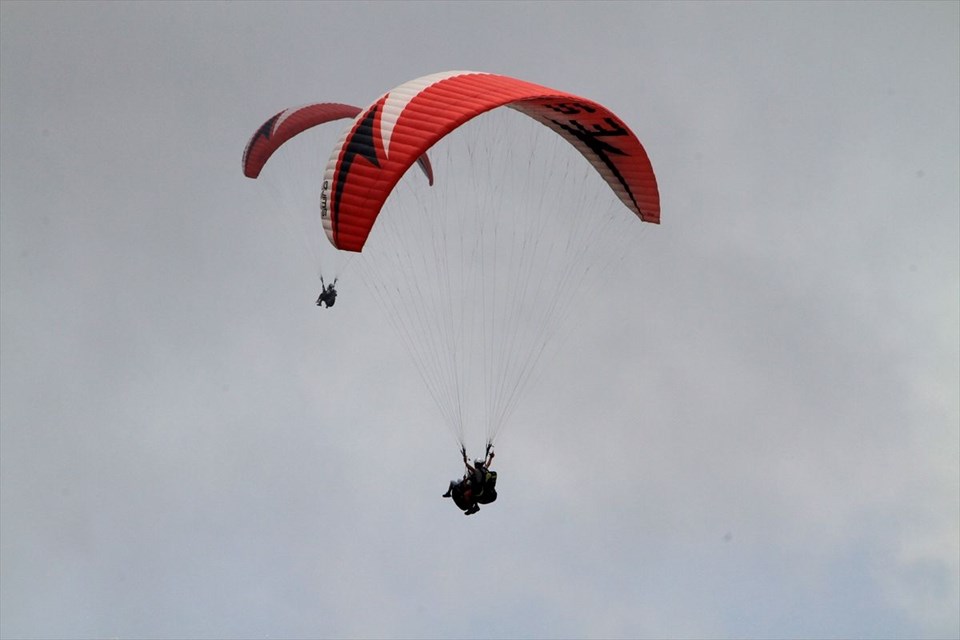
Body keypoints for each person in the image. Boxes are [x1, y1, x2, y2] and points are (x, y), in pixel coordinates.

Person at [442, 445, 496, 515]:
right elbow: (488, 464)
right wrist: (491, 457)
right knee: (460, 482)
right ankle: (475, 505)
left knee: (466, 494)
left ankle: (471, 508)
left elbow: (470, 471)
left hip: (477, 489)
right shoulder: (484, 469)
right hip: (480, 489)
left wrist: (465, 463)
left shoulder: (477, 471)